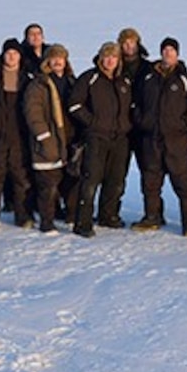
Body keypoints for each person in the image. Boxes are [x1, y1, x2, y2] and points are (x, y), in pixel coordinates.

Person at [131, 37, 187, 235]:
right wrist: (142, 121)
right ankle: (152, 217)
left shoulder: (186, 79)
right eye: (165, 50)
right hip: (151, 138)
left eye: (172, 50)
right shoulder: (148, 77)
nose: (168, 53)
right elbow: (136, 103)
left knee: (183, 183)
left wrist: (186, 122)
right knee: (151, 181)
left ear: (177, 54)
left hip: (176, 139)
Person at [68, 41, 133, 236]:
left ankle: (109, 215)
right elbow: (74, 105)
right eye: (106, 56)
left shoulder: (124, 81)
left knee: (116, 180)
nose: (110, 60)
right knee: (91, 179)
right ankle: (83, 222)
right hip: (96, 137)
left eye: (114, 56)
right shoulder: (90, 78)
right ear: (100, 58)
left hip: (120, 137)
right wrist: (92, 122)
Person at [0, 38, 35, 229]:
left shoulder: (28, 77)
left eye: (15, 53)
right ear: (3, 55)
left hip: (20, 134)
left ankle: (22, 216)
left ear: (20, 56)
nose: (11, 57)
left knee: (21, 178)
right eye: (8, 53)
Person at [24, 44, 76, 232]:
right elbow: (32, 112)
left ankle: (69, 214)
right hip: (49, 140)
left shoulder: (71, 81)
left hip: (68, 138)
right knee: (48, 183)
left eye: (60, 58)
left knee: (70, 180)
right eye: (53, 58)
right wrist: (43, 136)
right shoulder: (39, 84)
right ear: (47, 61)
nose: (57, 62)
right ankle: (47, 221)